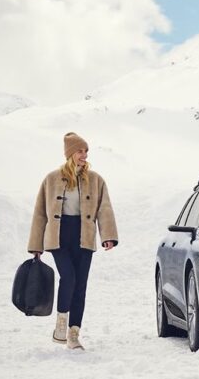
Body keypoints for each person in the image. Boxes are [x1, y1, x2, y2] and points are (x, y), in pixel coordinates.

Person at [27, 132, 119, 350]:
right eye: (80, 151)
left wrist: (108, 236)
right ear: (70, 153)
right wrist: (36, 245)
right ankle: (61, 323)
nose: (84, 155)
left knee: (80, 285)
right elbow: (40, 213)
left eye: (86, 151)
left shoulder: (96, 179)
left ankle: (74, 334)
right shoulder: (51, 179)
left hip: (84, 236)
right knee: (68, 277)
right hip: (59, 237)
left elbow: (104, 208)